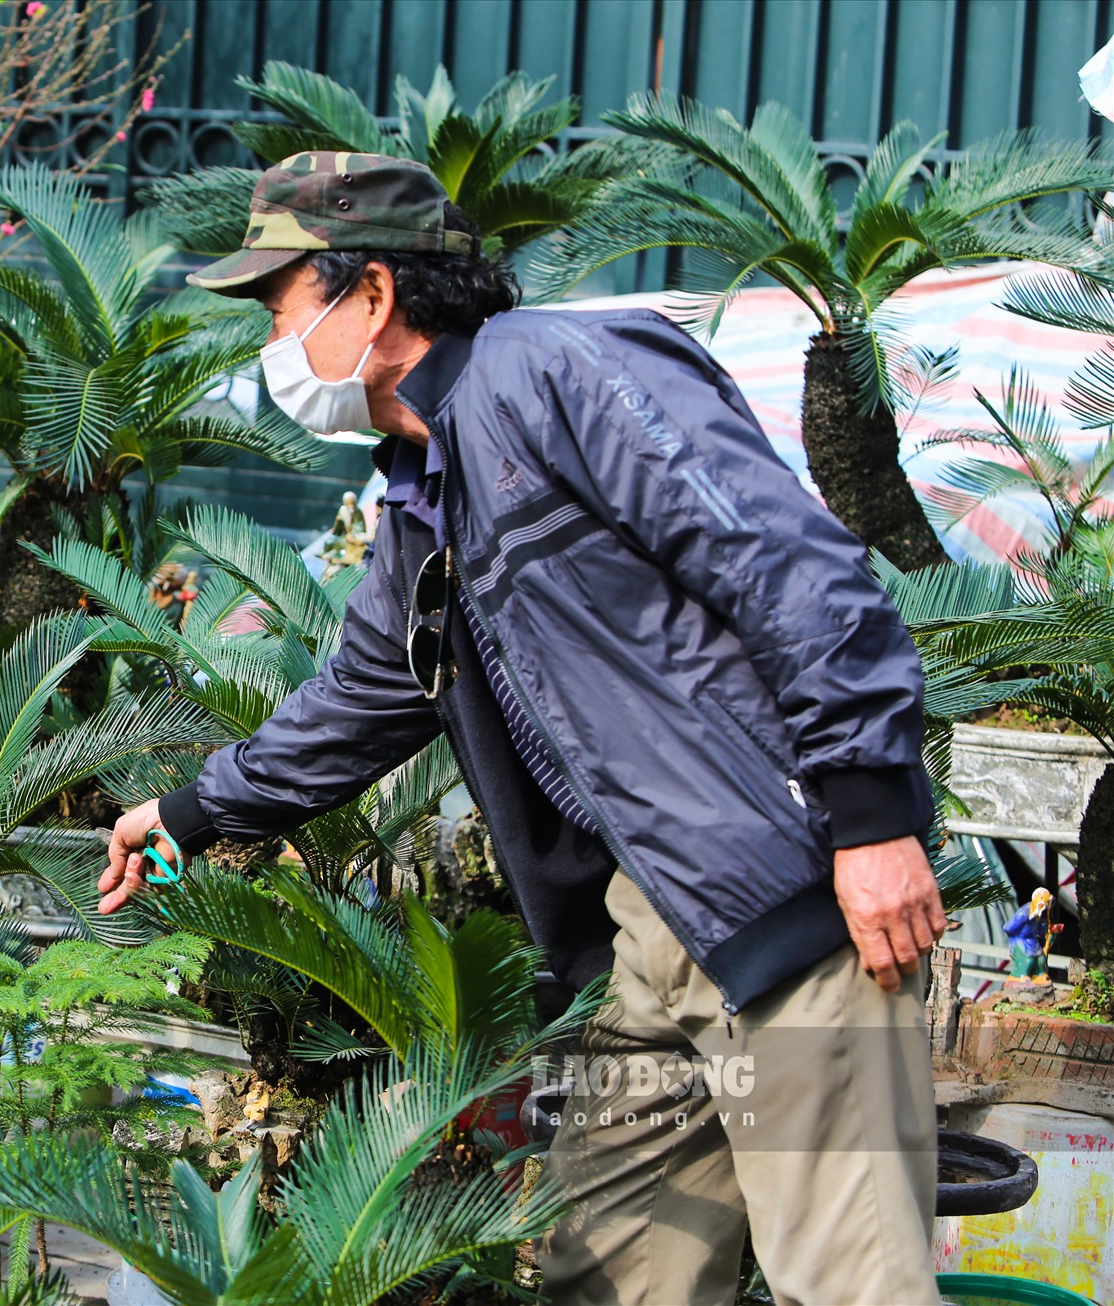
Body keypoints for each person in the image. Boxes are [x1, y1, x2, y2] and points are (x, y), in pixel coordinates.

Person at [99, 152, 947, 1306]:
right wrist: (191, 812)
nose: (268, 344)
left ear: (373, 295)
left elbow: (788, 569)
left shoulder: (555, 370)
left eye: (278, 305)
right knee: (608, 1274)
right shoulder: (420, 487)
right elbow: (365, 694)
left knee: (848, 1287)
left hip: (788, 909)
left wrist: (871, 817)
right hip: (648, 942)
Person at [1002, 886, 1055, 978]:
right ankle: (1019, 976)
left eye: (1046, 901)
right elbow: (1008, 928)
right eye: (1041, 899)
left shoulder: (1042, 914)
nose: (1043, 904)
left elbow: (1041, 932)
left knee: (1041, 960)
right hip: (1021, 941)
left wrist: (1050, 930)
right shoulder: (1024, 913)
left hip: (1033, 941)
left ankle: (1039, 976)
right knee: (1028, 961)